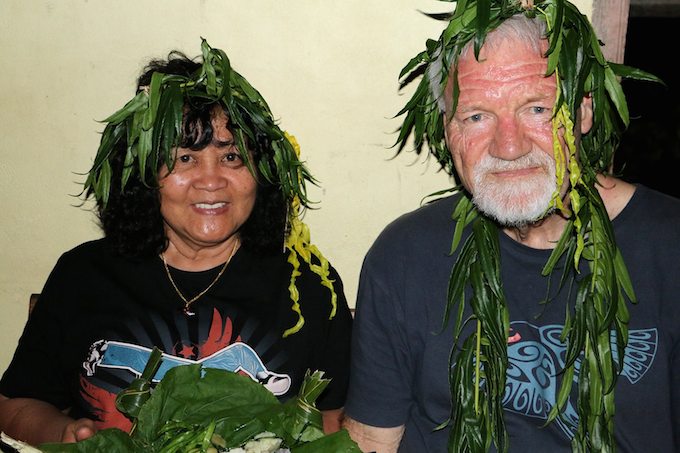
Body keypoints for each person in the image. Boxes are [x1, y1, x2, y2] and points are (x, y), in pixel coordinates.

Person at [343, 1, 679, 452]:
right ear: (448, 131)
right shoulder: (403, 255)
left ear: (582, 113)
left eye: (536, 109)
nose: (508, 145)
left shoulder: (670, 245)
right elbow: (369, 441)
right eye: (477, 116)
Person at [0, 40, 353, 446]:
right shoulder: (83, 274)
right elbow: (15, 403)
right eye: (185, 158)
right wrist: (67, 433)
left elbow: (332, 418)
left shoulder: (309, 285)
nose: (211, 180)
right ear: (143, 172)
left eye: (232, 157)